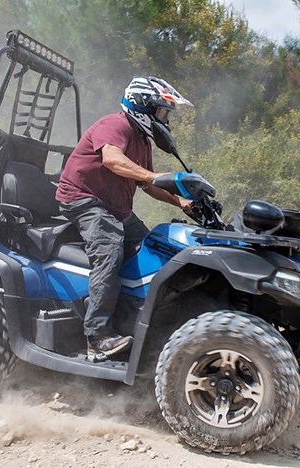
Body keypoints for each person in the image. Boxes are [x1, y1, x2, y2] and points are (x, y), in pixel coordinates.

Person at [55, 76, 194, 362]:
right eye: (162, 111)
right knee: (109, 252)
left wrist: (181, 201)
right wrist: (154, 176)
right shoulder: (115, 125)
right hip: (84, 199)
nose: (165, 119)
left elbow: (148, 184)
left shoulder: (143, 141)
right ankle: (97, 336)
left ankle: (135, 316)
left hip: (115, 207)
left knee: (153, 247)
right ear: (142, 106)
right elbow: (112, 160)